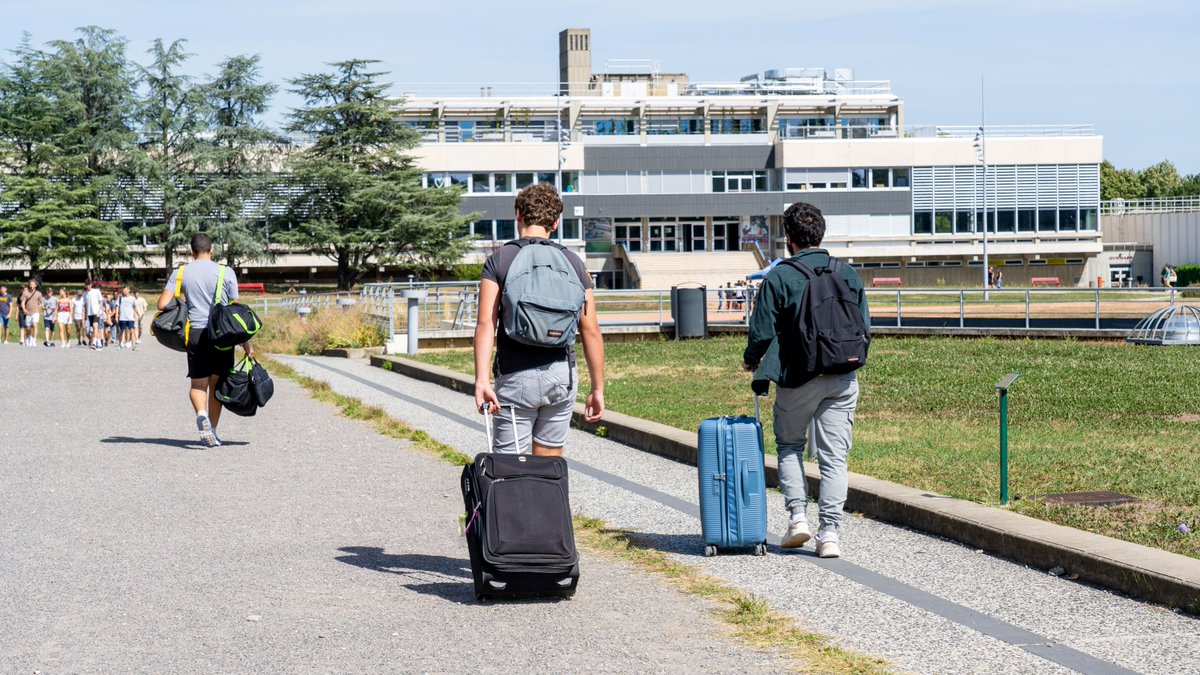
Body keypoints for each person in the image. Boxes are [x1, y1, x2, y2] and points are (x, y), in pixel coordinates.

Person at [742, 202, 870, 559]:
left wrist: (751, 361)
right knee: (834, 458)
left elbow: (761, 332)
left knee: (789, 447)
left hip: (798, 378)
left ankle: (798, 518)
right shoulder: (847, 273)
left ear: (789, 239)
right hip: (843, 377)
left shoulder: (780, 276)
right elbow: (865, 327)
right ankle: (829, 534)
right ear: (821, 234)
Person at [473, 183, 604, 456]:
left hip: (515, 376)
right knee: (547, 468)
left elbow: (486, 323)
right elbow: (590, 330)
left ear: (518, 214)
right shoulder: (574, 263)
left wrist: (481, 380)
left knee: (511, 470)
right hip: (561, 376)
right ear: (555, 223)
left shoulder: (500, 260)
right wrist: (597, 388)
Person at [157, 232, 248, 448]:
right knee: (217, 383)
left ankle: (201, 414)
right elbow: (236, 311)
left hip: (195, 333)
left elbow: (162, 304)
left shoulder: (181, 273)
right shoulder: (226, 272)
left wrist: (182, 302)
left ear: (191, 251)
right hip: (223, 335)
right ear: (212, 249)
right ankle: (213, 432)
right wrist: (246, 344)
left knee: (198, 383)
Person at [19, 280, 43, 347]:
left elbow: (40, 303)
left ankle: (34, 340)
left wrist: (39, 310)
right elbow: (23, 302)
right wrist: (24, 309)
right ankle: (29, 337)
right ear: (29, 285)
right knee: (28, 328)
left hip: (35, 312)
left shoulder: (39, 293)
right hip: (28, 312)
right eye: (30, 284)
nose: (31, 285)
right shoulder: (25, 293)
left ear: (35, 285)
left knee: (35, 325)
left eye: (33, 284)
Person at [85, 281, 104, 350]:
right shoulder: (85, 293)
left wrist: (99, 311)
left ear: (91, 285)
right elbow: (86, 305)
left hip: (96, 312)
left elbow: (100, 302)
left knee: (95, 326)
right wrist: (86, 314)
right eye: (86, 285)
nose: (88, 286)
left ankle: (94, 342)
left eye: (89, 285)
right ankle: (99, 344)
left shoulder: (96, 291)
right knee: (96, 329)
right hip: (90, 313)